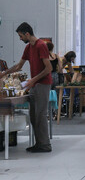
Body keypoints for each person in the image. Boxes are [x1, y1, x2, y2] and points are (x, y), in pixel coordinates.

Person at [0, 22, 52, 153]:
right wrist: (4, 73)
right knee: (34, 116)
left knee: (40, 115)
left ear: (27, 34)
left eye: (21, 36)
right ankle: (39, 143)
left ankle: (45, 145)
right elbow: (19, 66)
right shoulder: (29, 48)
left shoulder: (41, 46)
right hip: (34, 85)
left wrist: (33, 79)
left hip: (42, 84)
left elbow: (49, 68)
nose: (20, 38)